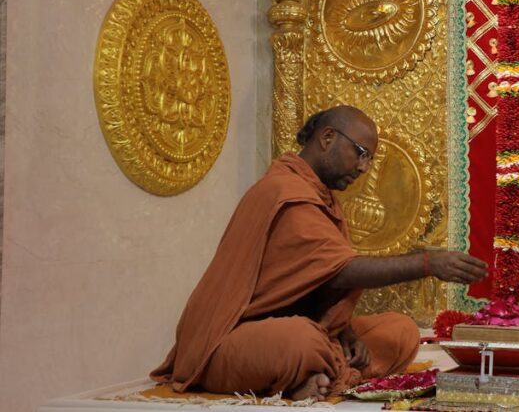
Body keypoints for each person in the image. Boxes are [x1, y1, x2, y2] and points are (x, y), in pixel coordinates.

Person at [151, 106, 488, 400]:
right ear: (327, 138)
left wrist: (346, 332)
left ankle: (317, 374)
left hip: (297, 328)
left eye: (369, 158)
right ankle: (314, 371)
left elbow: (316, 282)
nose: (364, 167)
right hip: (228, 342)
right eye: (360, 152)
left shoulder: (323, 199)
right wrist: (427, 262)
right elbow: (341, 271)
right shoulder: (285, 192)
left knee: (401, 331)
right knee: (303, 342)